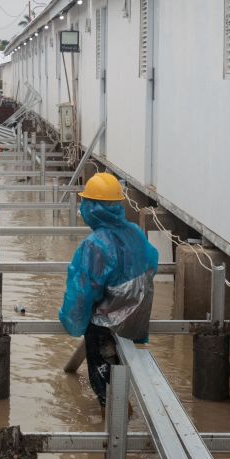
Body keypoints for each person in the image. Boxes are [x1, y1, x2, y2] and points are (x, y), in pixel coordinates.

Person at [58, 172, 159, 414]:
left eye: (86, 203)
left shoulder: (95, 244)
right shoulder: (134, 231)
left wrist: (71, 321)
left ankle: (116, 417)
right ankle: (123, 408)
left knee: (104, 378)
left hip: (107, 322)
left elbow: (81, 292)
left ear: (93, 207)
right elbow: (151, 262)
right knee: (119, 369)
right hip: (137, 317)